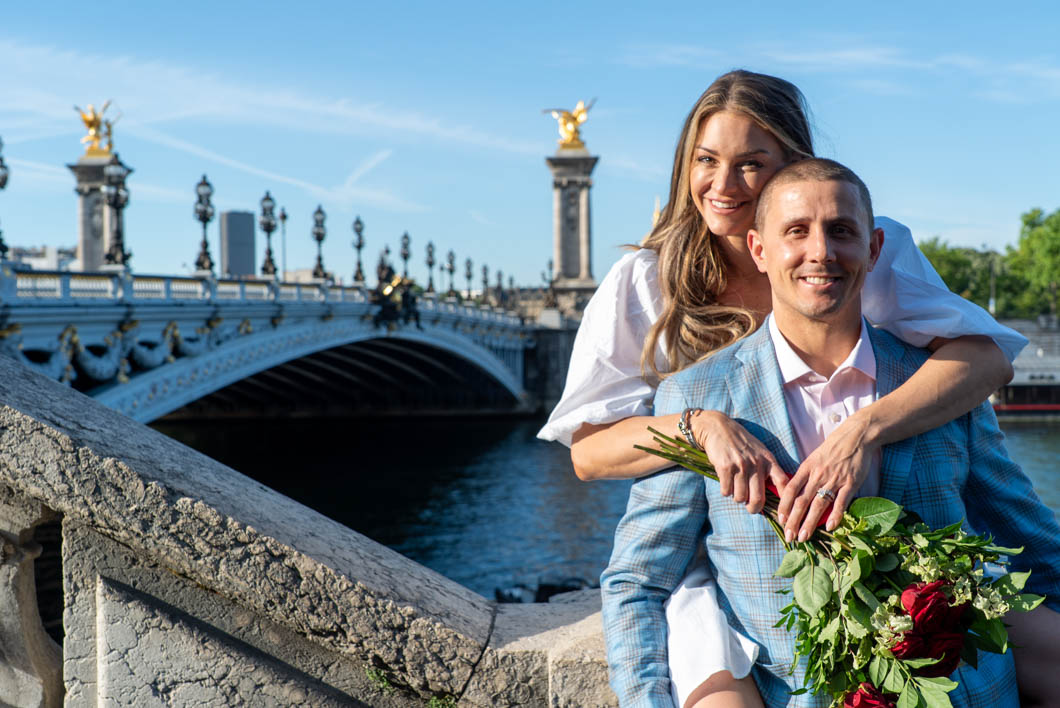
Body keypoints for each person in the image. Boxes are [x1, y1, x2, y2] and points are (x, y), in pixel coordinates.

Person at [538, 70, 1026, 707]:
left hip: (860, 542)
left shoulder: (863, 248)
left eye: (751, 164)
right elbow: (588, 453)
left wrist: (864, 429)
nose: (722, 184)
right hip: (711, 548)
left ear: (798, 166)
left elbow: (982, 363)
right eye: (705, 161)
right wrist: (701, 425)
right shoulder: (646, 280)